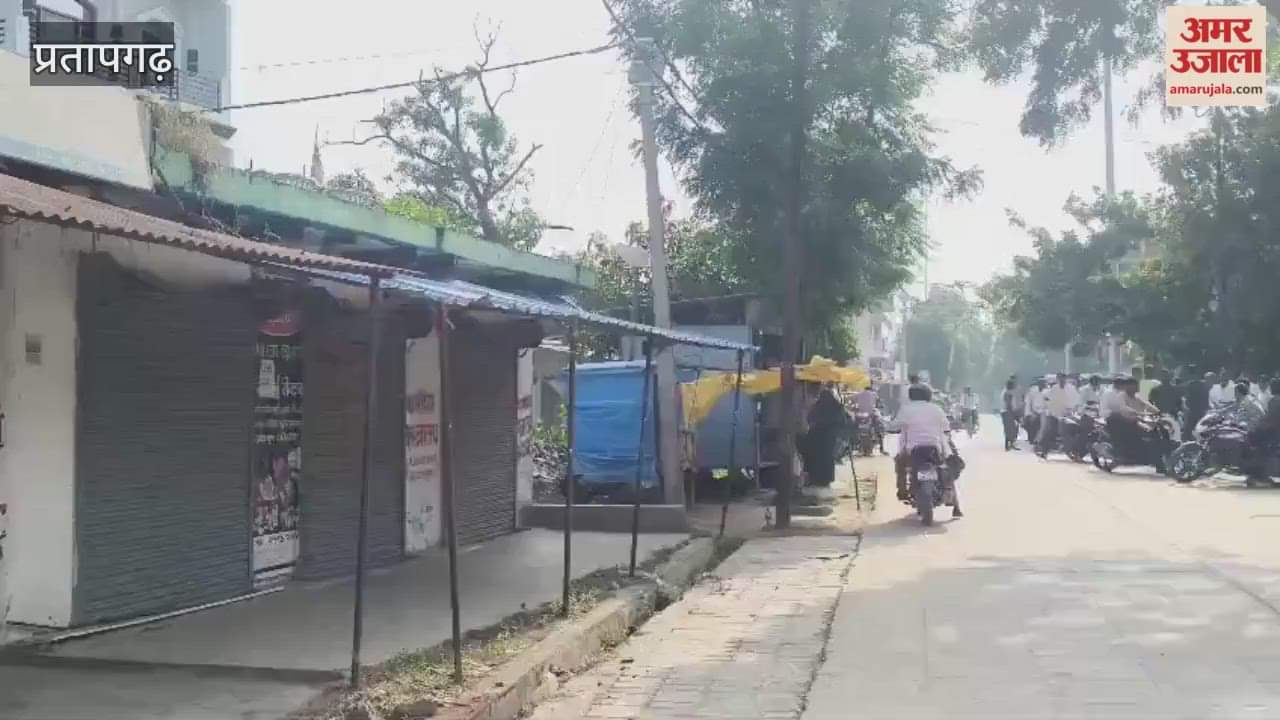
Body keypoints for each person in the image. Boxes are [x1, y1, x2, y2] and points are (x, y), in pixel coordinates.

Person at [891, 384, 962, 516]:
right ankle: (955, 504)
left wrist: (889, 427)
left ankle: (902, 491)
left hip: (913, 451)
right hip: (935, 450)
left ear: (911, 396)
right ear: (929, 395)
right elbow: (946, 427)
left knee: (900, 463)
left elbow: (894, 425)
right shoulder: (936, 409)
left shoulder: (906, 409)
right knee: (948, 469)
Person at [801, 384, 850, 487]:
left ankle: (816, 478)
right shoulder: (836, 406)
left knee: (817, 458)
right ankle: (826, 479)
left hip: (817, 436)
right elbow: (843, 421)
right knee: (827, 458)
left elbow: (810, 419)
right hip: (829, 437)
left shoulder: (817, 406)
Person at [852, 382, 887, 455]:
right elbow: (879, 403)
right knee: (880, 430)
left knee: (854, 429)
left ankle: (857, 447)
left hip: (860, 416)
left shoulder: (859, 394)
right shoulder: (874, 394)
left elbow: (852, 400)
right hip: (871, 415)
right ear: (871, 386)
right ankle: (882, 449)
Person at [1184, 371, 1211, 441]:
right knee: (1197, 429)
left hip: (1196, 411)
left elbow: (1187, 397)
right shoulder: (1203, 385)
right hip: (1197, 411)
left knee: (1192, 429)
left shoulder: (1191, 384)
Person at [1024, 378, 1048, 444]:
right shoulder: (1032, 391)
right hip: (1034, 412)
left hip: (1045, 412)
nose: (1042, 385)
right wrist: (1029, 413)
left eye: (1043, 383)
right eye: (1040, 383)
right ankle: (1033, 439)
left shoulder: (1048, 392)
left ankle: (1039, 440)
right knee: (1032, 422)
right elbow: (1028, 402)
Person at [1000, 379, 1021, 450]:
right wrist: (1015, 414)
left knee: (1009, 428)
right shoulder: (1007, 393)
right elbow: (1009, 404)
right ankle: (1009, 444)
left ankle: (1009, 444)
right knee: (1011, 428)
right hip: (1008, 412)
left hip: (1006, 412)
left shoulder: (1006, 391)